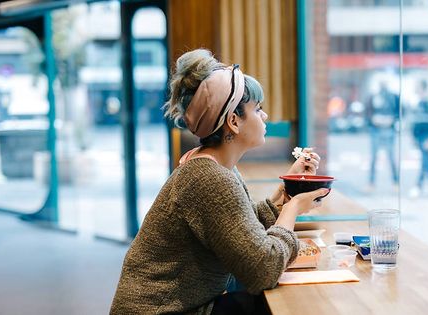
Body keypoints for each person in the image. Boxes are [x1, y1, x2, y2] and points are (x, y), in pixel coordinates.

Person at [110, 49, 328, 314]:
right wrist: (293, 209)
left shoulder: (214, 166)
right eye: (258, 109)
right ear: (233, 121)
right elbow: (263, 270)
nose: (265, 116)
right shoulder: (208, 178)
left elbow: (238, 230)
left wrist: (286, 193)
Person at [365, 81, 399, 192]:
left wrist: (391, 120)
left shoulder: (393, 97)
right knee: (374, 158)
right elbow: (368, 112)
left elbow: (398, 111)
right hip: (376, 130)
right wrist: (373, 120)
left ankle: (395, 182)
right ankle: (371, 182)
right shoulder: (374, 97)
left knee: (390, 157)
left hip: (388, 130)